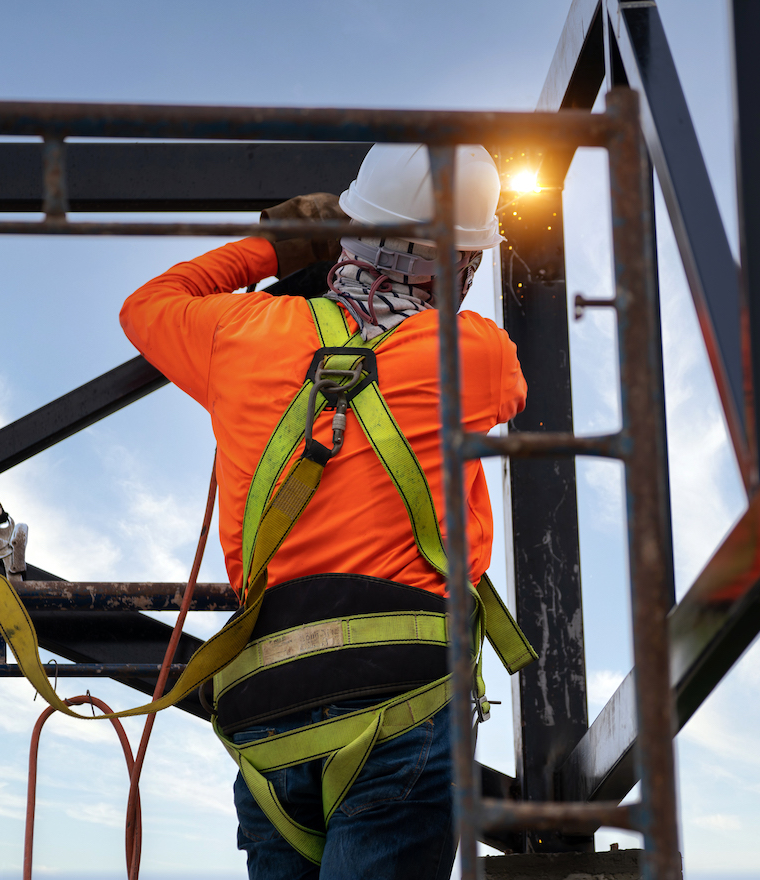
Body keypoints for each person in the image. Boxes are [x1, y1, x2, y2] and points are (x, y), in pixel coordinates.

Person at [119, 144, 529, 880]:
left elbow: (146, 306)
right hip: (404, 699)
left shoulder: (239, 335)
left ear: (350, 232)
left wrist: (275, 252)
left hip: (266, 711)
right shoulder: (479, 356)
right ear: (463, 261)